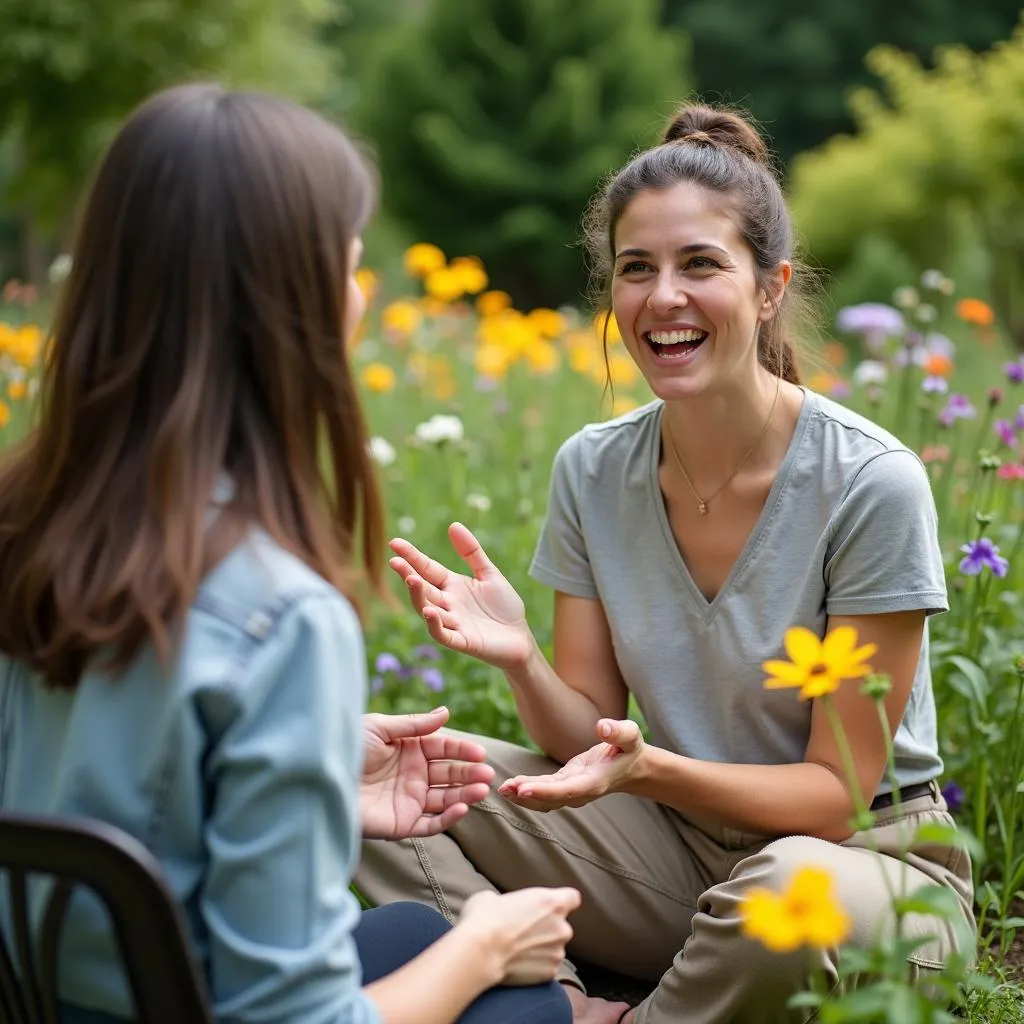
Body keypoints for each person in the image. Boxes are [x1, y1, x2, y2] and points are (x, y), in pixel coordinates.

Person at [357, 104, 976, 1024]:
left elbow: (833, 794)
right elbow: (589, 745)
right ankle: (556, 1001)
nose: (663, 298)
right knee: (395, 781)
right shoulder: (593, 468)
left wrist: (647, 770)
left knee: (779, 893)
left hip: (861, 865)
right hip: (670, 858)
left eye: (700, 265)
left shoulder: (870, 481)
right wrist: (522, 659)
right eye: (636, 269)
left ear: (771, 287)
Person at [0, 83, 578, 1024]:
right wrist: (486, 943)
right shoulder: (276, 613)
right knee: (519, 997)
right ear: (291, 303)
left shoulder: (31, 524)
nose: (362, 297)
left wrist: (319, 775)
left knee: (406, 937)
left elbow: (89, 817)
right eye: (350, 265)